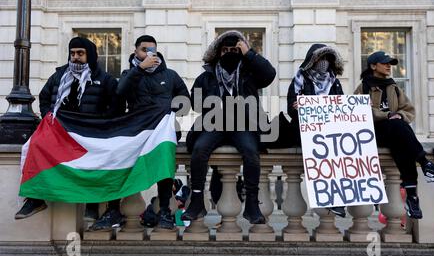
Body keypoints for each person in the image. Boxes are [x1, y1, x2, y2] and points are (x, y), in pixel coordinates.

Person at [15, 37, 125, 219]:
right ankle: (35, 198)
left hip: (91, 133)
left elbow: (117, 107)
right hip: (60, 132)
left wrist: (100, 124)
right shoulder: (58, 76)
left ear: (89, 55)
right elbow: (44, 97)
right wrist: (49, 118)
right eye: (72, 53)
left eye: (80, 53)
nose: (75, 57)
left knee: (96, 160)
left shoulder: (105, 80)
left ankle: (92, 203)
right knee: (35, 146)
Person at [88, 35, 190, 231]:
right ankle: (113, 210)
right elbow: (120, 91)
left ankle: (165, 213)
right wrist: (140, 69)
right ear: (136, 51)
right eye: (144, 49)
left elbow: (185, 101)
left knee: (164, 168)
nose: (148, 53)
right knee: (118, 162)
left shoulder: (170, 75)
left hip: (162, 131)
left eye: (151, 49)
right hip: (137, 130)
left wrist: (168, 111)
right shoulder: (130, 73)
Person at [182, 30, 276, 224]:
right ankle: (197, 201)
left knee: (251, 151)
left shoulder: (250, 72)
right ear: (218, 52)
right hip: (214, 123)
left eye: (235, 49)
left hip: (243, 124)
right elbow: (195, 102)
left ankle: (251, 204)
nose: (230, 53)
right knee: (199, 149)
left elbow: (269, 75)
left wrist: (249, 53)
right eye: (225, 50)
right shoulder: (207, 75)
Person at [355, 51, 434, 219]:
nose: (388, 66)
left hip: (393, 132)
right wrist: (387, 115)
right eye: (384, 63)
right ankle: (424, 164)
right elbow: (357, 111)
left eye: (390, 63)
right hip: (373, 133)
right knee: (398, 127)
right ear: (372, 66)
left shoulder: (394, 87)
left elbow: (408, 110)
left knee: (402, 146)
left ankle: (412, 198)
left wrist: (400, 115)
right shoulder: (363, 87)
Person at [286, 43, 347, 218]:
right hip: (306, 131)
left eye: (328, 59)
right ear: (312, 60)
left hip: (330, 130)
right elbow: (291, 107)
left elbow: (342, 106)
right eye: (321, 58)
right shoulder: (300, 79)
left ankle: (338, 198)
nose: (324, 62)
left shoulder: (334, 81)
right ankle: (329, 197)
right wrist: (297, 106)